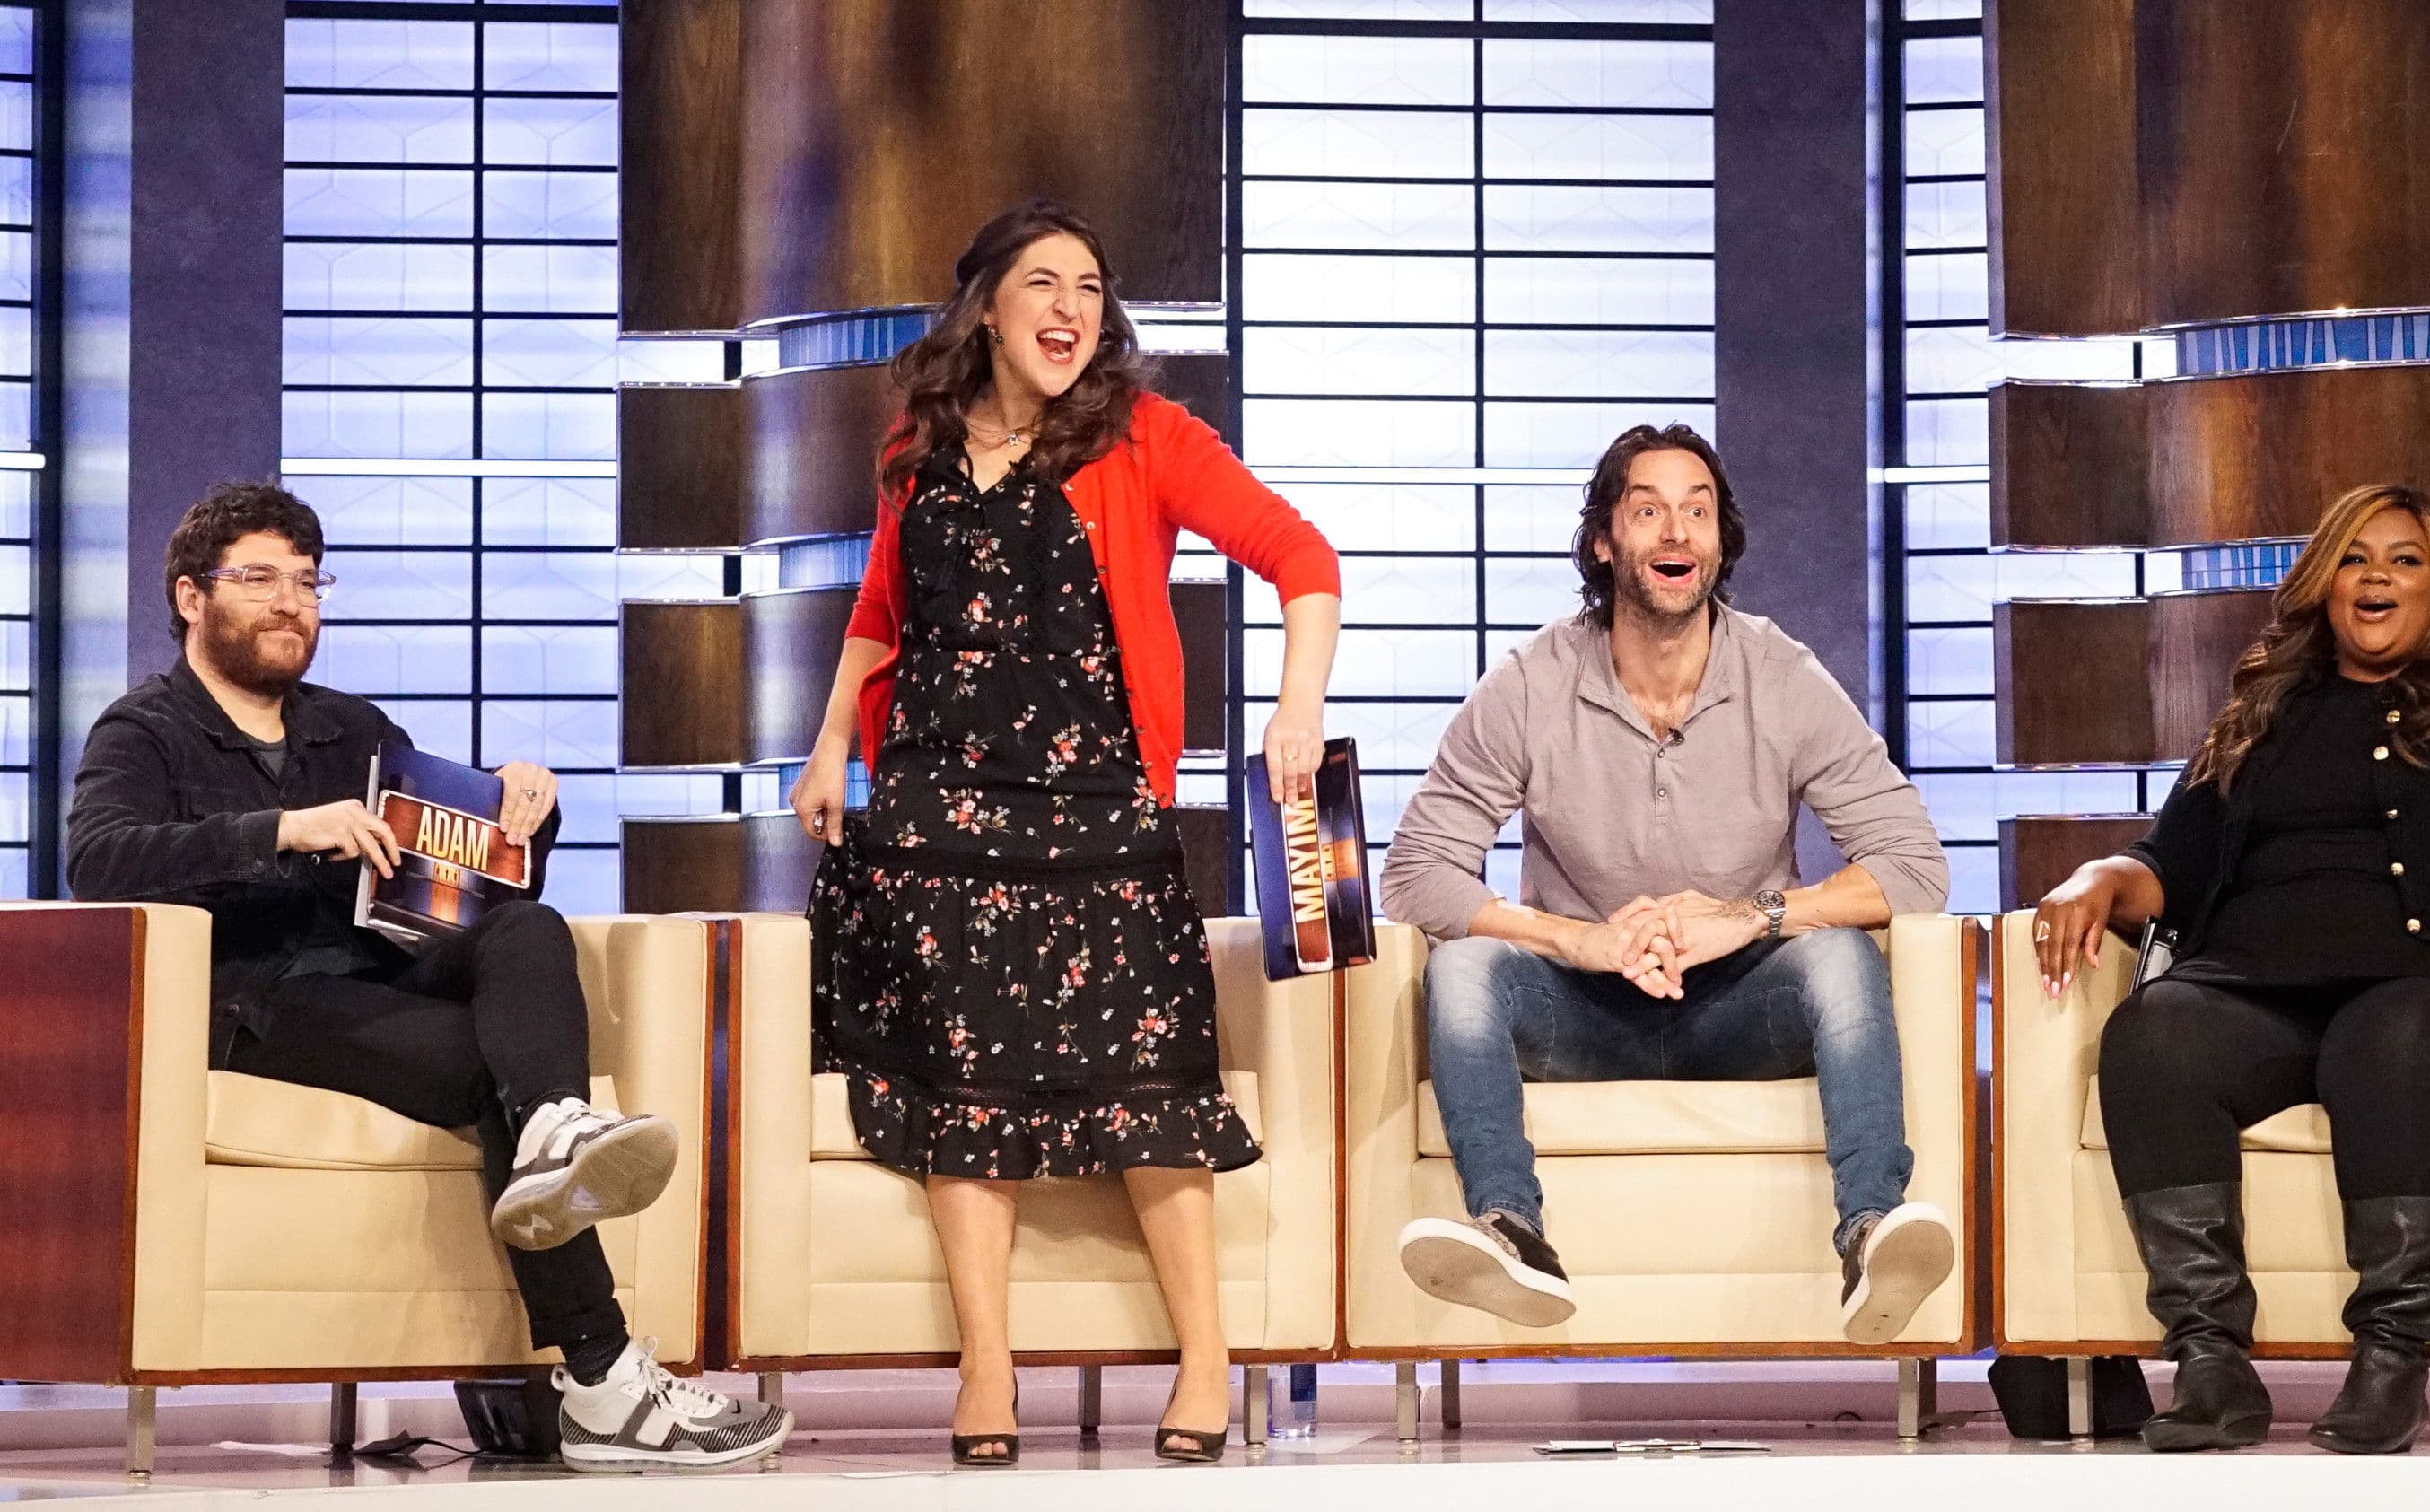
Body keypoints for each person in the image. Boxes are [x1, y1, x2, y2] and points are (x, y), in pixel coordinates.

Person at [67, 483, 791, 1473]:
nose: (291, 603)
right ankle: (604, 1379)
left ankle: (556, 1127)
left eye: (308, 583)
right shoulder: (142, 730)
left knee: (528, 927)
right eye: (261, 579)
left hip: (378, 969)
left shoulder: (352, 727)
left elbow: (462, 868)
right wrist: (283, 830)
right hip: (256, 1000)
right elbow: (100, 860)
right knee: (492, 1065)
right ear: (192, 597)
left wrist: (523, 807)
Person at [790, 201, 1342, 1467]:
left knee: (1155, 1085)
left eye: (1090, 287)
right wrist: (829, 743)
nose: (1071, 309)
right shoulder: (915, 442)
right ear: (987, 307)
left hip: (1097, 807)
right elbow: (881, 610)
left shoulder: (1144, 433)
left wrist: (1296, 710)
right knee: (961, 1085)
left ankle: (1205, 1355)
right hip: (938, 811)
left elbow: (1302, 557)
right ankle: (989, 1364)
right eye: (1043, 283)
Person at [2032, 484, 2430, 1456]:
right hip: (2255, 988)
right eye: (2355, 557)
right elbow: (2169, 863)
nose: (2375, 577)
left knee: (2388, 1036)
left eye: (2404, 559)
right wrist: (2097, 876)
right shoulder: (2261, 714)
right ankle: (2210, 1362)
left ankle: (2392, 1358)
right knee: (2153, 1031)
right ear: (2325, 582)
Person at [1375, 423, 1957, 1344]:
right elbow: (1414, 873)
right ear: (1605, 542)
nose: (1676, 531)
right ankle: (1511, 1228)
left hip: (1741, 1006)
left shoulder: (1783, 677)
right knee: (1462, 968)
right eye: (1648, 511)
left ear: (1720, 542)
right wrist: (1576, 939)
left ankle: (1871, 1230)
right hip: (1580, 1008)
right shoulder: (1531, 683)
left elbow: (1915, 866)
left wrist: (1751, 915)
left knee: (1841, 957)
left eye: (1697, 511)